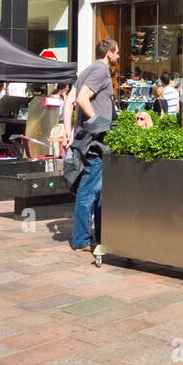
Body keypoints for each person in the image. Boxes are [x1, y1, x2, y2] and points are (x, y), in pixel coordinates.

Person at [65, 39, 119, 253]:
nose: (118, 57)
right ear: (109, 53)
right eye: (117, 53)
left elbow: (70, 101)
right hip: (95, 141)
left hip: (89, 139)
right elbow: (82, 98)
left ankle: (99, 236)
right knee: (89, 190)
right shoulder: (100, 71)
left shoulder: (87, 70)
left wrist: (67, 129)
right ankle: (81, 239)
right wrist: (100, 123)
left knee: (98, 190)